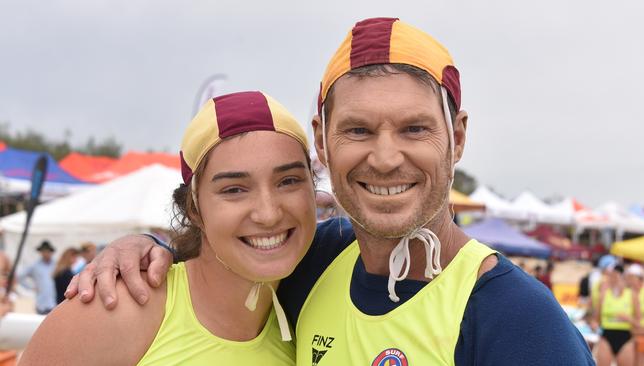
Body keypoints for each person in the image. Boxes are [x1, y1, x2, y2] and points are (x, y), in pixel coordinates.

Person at [67, 18, 593, 365]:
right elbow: (223, 257)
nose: (385, 158)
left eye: (414, 129)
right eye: (359, 131)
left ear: (456, 137)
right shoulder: (314, 260)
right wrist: (144, 249)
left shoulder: (513, 318)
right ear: (321, 140)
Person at [19, 91, 316, 365]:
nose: (268, 214)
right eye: (234, 189)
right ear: (194, 209)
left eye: (288, 181)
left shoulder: (310, 319)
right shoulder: (118, 310)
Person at [593, 264, 638, 366]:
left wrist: (628, 319)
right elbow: (595, 319)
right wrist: (594, 324)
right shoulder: (603, 295)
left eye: (616, 276)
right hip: (606, 335)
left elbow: (638, 323)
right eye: (611, 276)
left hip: (626, 337)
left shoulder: (632, 295)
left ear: (623, 278)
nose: (614, 279)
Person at [18, 241, 56, 315]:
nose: (45, 253)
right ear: (41, 252)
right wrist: (31, 287)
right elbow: (20, 277)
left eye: (47, 251)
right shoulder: (35, 266)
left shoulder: (56, 265)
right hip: (41, 302)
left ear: (51, 252)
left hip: (55, 301)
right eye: (43, 251)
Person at [624, 264, 644, 366]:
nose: (629, 280)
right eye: (628, 277)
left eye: (631, 278)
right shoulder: (628, 293)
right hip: (630, 334)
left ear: (640, 279)